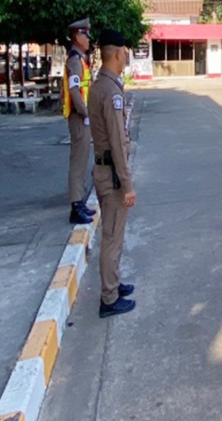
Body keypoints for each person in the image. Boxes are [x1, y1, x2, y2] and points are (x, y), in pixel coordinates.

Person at [88, 28, 136, 318]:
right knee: (112, 236)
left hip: (104, 169)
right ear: (117, 53)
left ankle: (113, 284)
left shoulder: (101, 86)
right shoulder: (110, 92)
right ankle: (109, 297)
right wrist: (127, 184)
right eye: (125, 52)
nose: (126, 56)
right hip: (112, 175)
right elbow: (117, 142)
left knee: (112, 233)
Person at [64, 18, 96, 225]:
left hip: (82, 117)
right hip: (79, 117)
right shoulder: (75, 60)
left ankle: (80, 201)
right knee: (78, 162)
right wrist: (86, 113)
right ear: (77, 36)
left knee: (82, 159)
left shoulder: (80, 59)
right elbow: (74, 91)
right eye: (86, 35)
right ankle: (76, 206)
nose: (88, 40)